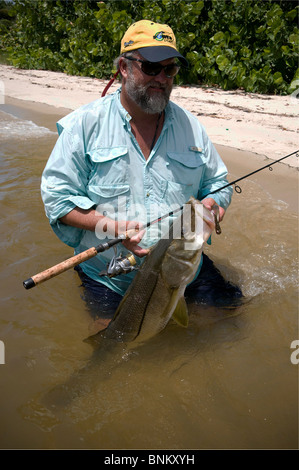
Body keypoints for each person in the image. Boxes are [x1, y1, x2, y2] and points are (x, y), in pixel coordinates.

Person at [41, 20, 242, 318]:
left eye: (170, 68)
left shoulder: (192, 128)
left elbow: (217, 184)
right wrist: (112, 227)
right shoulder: (83, 126)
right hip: (109, 277)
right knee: (114, 356)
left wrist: (214, 204)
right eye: (151, 67)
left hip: (183, 269)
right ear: (124, 67)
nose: (161, 77)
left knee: (232, 319)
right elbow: (57, 201)